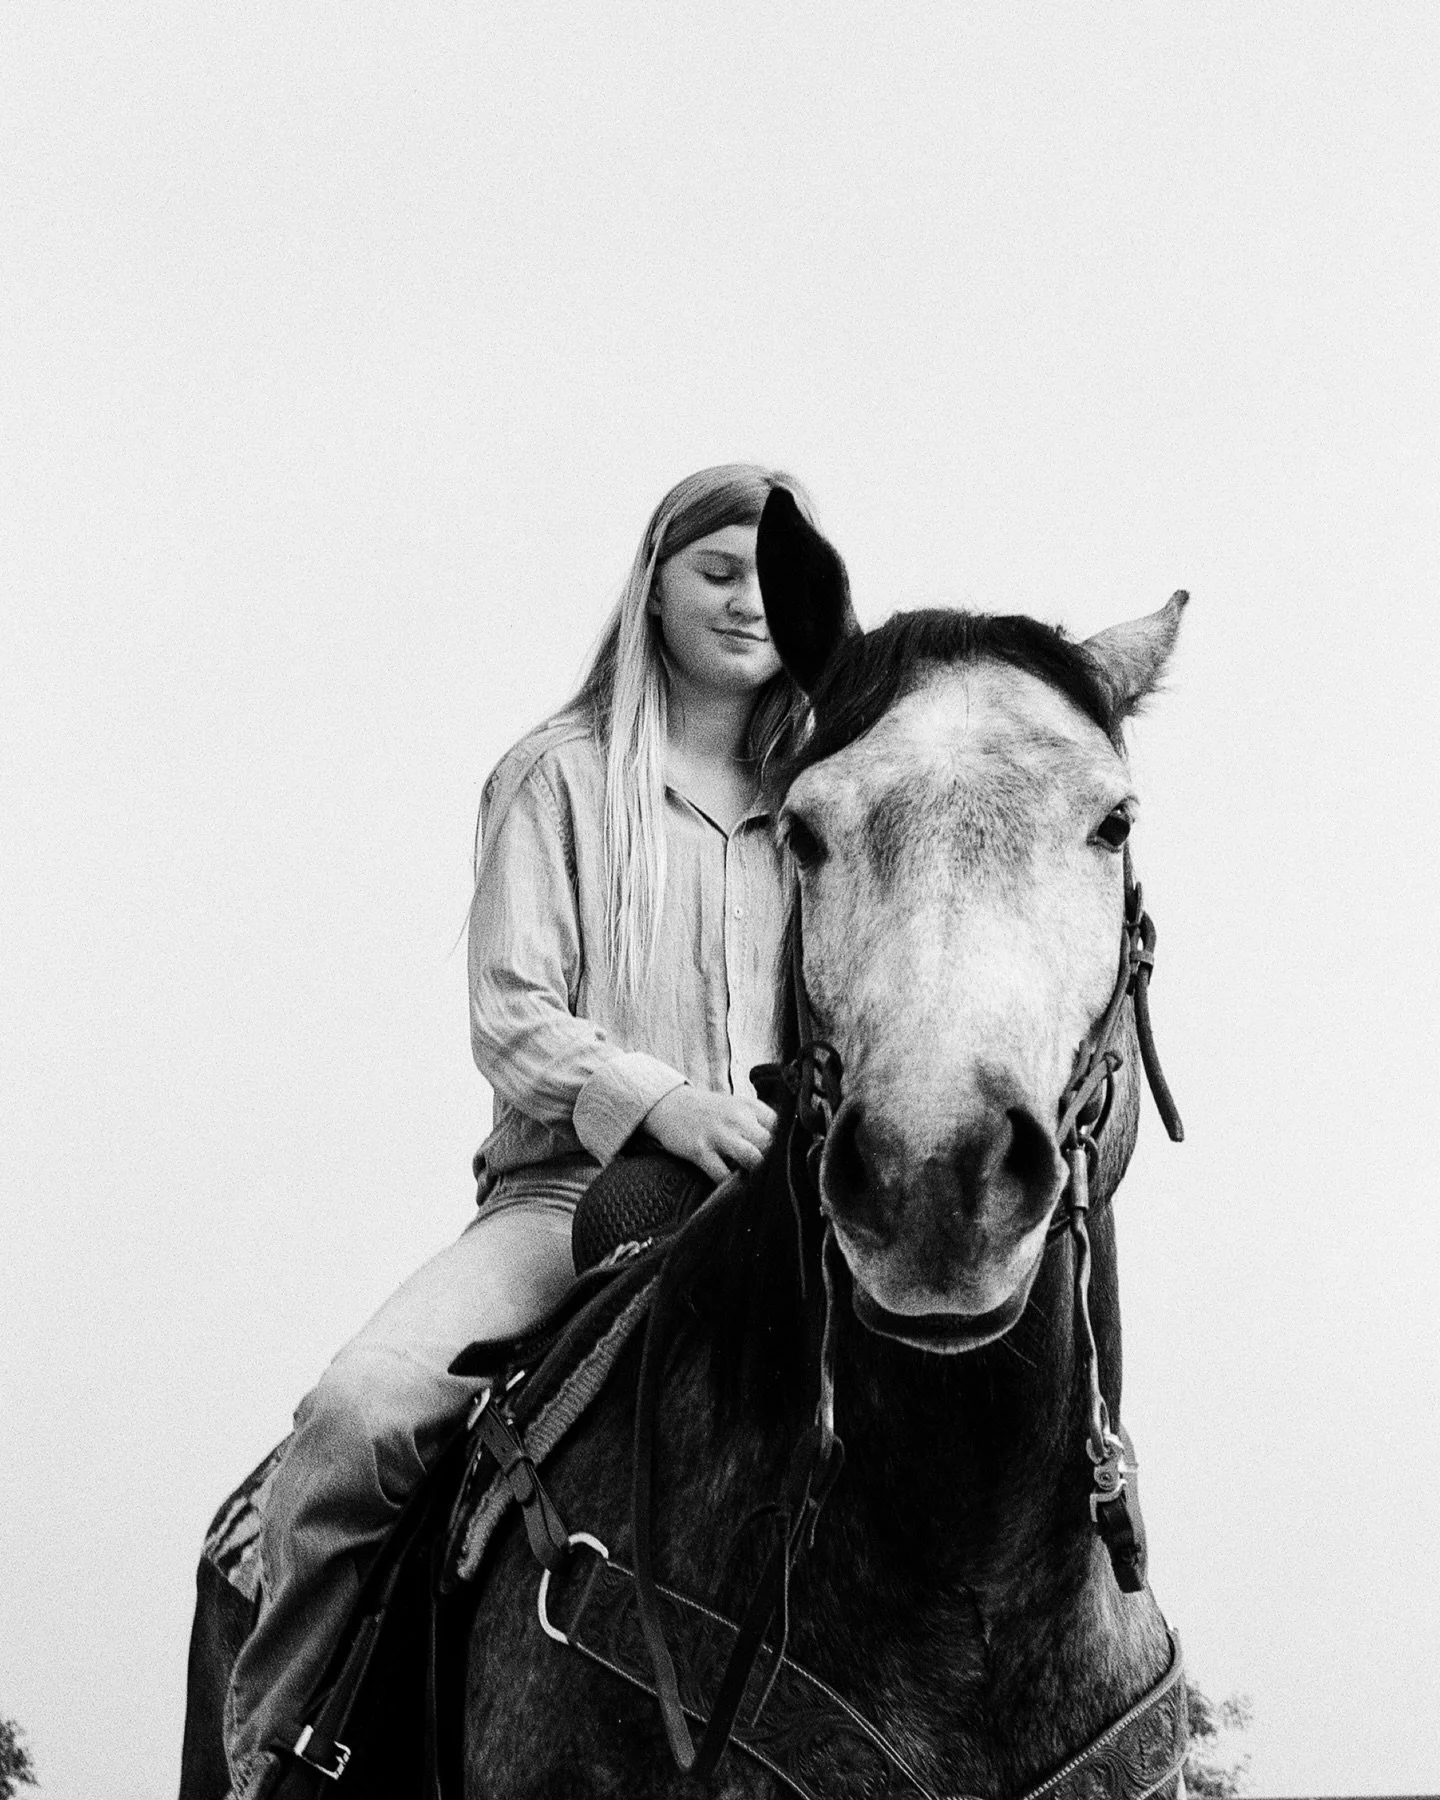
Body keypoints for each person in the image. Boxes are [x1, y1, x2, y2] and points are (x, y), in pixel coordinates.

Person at [223, 464, 814, 1800]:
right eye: (716, 569)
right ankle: (277, 1759)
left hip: (779, 1219)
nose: (745, 599)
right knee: (359, 1417)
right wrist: (664, 1103)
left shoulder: (830, 808)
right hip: (573, 1205)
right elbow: (513, 1017)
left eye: (772, 574)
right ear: (654, 584)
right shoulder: (555, 778)